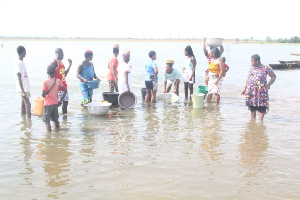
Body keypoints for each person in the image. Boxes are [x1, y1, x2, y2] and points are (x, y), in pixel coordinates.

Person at [242, 54, 276, 121]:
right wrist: (244, 88)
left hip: (261, 92)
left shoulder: (265, 68)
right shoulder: (252, 68)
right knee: (252, 107)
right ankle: (252, 123)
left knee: (262, 107)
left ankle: (261, 123)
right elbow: (248, 78)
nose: (251, 63)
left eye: (252, 61)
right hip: (251, 91)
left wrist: (268, 85)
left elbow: (273, 76)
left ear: (257, 61)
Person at [42, 65, 67, 131]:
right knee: (56, 120)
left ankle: (49, 136)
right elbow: (65, 90)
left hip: (47, 104)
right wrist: (61, 100)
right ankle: (57, 133)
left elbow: (43, 95)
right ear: (55, 72)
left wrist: (44, 96)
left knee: (47, 122)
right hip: (55, 104)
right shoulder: (58, 81)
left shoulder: (45, 82)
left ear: (47, 73)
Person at [50, 48, 72, 114]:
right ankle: (54, 119)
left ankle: (65, 121)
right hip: (57, 88)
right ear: (57, 54)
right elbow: (50, 74)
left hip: (63, 86)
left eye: (63, 53)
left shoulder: (61, 63)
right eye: (61, 53)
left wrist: (69, 66)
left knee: (65, 103)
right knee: (56, 104)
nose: (63, 55)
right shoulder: (54, 62)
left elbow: (64, 75)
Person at [15, 45, 31, 118]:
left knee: (23, 104)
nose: (26, 53)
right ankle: (29, 122)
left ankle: (23, 119)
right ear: (23, 52)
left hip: (24, 88)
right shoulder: (19, 63)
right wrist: (23, 91)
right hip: (23, 88)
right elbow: (19, 76)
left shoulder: (22, 62)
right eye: (25, 52)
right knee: (28, 105)